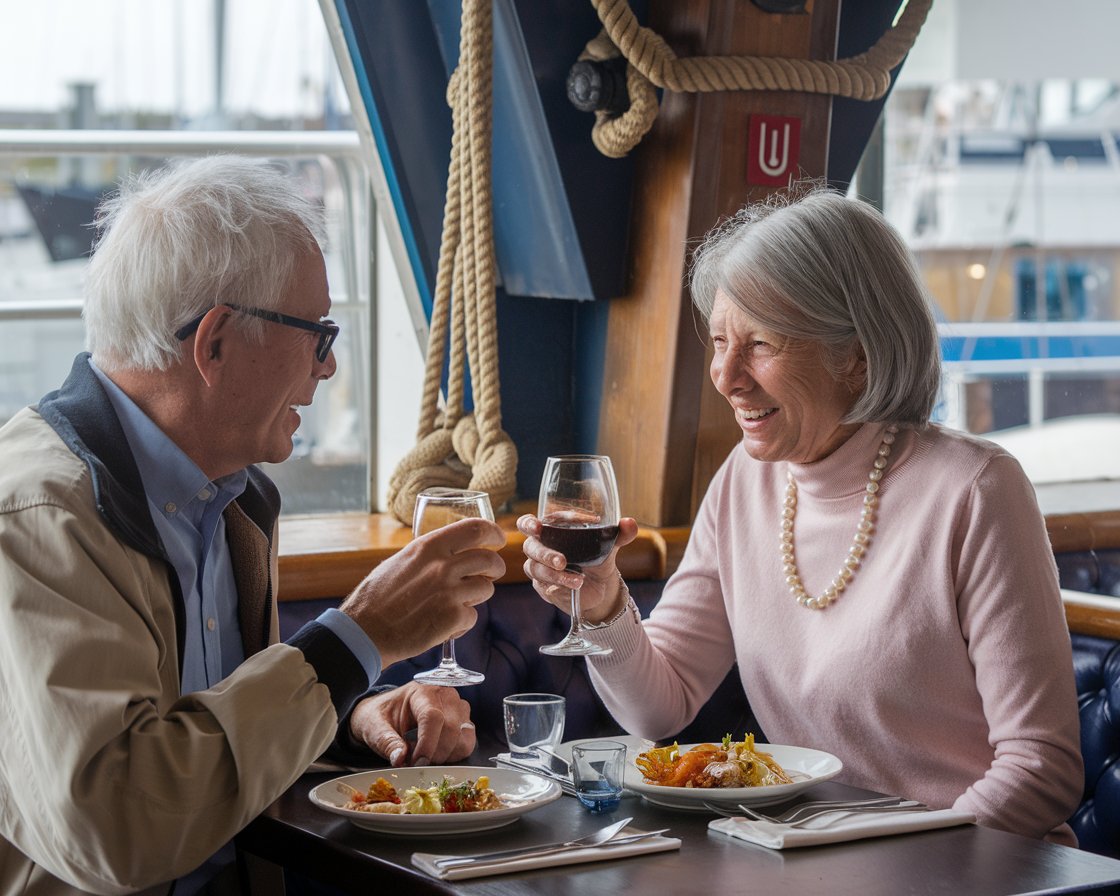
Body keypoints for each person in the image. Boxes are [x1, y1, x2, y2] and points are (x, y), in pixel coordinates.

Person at [0, 155, 506, 895]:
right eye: (318, 335)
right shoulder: (42, 518)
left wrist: (350, 713)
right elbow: (117, 825)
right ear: (213, 342)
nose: (327, 370)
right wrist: (353, 642)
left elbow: (193, 734)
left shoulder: (227, 497)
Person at [518, 183, 1083, 844]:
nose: (727, 377)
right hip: (808, 861)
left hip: (970, 873)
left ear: (858, 357)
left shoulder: (976, 490)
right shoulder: (744, 481)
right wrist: (603, 601)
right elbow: (660, 704)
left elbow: (1041, 771)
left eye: (761, 345)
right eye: (720, 341)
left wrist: (868, 861)